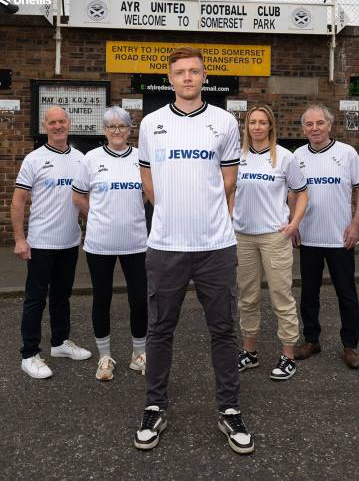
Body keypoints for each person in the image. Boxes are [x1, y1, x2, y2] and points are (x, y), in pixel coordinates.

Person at [133, 46, 254, 455]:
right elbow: (147, 178)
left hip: (215, 246)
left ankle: (229, 410)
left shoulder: (224, 122)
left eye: (194, 71)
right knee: (160, 329)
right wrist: (170, 209)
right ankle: (154, 407)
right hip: (165, 245)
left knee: (223, 330)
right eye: (180, 72)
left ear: (204, 77)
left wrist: (204, 210)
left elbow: (229, 180)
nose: (187, 77)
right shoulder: (152, 124)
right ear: (170, 79)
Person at [11, 106, 92, 379]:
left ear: (69, 123)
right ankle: (29, 354)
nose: (58, 126)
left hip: (69, 242)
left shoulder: (81, 159)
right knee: (35, 299)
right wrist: (20, 239)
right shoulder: (34, 159)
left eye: (62, 121)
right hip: (40, 243)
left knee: (61, 296)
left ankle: (59, 343)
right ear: (45, 126)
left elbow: (85, 200)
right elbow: (18, 201)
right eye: (52, 122)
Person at [232, 105, 308, 381]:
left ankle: (288, 355)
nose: (257, 127)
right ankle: (249, 352)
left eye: (262, 122)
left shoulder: (285, 157)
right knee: (247, 297)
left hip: (275, 237)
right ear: (247, 126)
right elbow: (228, 192)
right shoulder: (237, 156)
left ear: (270, 126)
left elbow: (302, 193)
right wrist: (229, 219)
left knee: (281, 296)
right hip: (243, 237)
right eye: (252, 122)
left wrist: (294, 223)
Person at [72, 106, 148, 381]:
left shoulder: (141, 158)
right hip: (100, 243)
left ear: (130, 129)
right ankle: (105, 356)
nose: (117, 131)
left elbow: (147, 194)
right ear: (104, 130)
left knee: (139, 299)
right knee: (101, 299)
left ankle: (139, 354)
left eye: (122, 126)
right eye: (112, 126)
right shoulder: (91, 159)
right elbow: (78, 196)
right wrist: (98, 216)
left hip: (136, 242)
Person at [292, 104, 359, 369]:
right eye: (309, 124)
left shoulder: (347, 153)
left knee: (346, 294)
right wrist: (294, 224)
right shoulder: (298, 156)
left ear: (329, 125)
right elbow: (293, 193)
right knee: (308, 294)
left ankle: (350, 346)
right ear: (303, 129)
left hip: (340, 238)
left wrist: (356, 224)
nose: (315, 128)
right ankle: (311, 340)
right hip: (309, 238)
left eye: (319, 123)